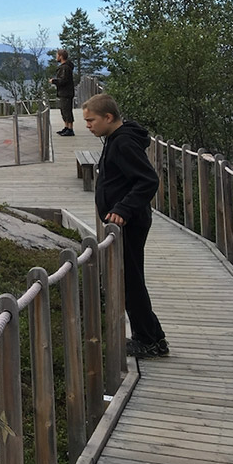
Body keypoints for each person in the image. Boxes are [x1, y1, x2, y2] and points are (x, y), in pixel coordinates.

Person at [82, 93, 168, 358]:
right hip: (124, 222)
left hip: (129, 222)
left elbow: (148, 180)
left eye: (91, 120)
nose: (88, 126)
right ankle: (154, 337)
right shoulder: (114, 139)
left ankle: (148, 340)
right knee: (129, 279)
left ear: (108, 117)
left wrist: (122, 208)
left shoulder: (123, 143)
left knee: (131, 280)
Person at [50, 49, 75, 136]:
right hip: (64, 92)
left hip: (66, 93)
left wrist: (54, 81)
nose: (56, 57)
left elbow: (63, 80)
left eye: (57, 55)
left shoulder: (65, 68)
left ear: (61, 56)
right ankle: (66, 127)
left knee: (67, 111)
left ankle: (70, 129)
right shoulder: (65, 67)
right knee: (63, 110)